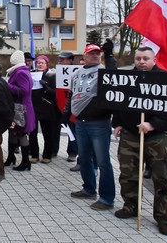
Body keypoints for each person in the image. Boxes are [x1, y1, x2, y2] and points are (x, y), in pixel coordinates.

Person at [112, 46, 167, 235]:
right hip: (130, 136)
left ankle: (164, 218)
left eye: (145, 58)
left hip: (157, 137)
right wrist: (117, 123)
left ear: (154, 61)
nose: (141, 62)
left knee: (162, 179)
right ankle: (130, 206)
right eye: (138, 58)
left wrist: (154, 124)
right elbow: (118, 101)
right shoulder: (126, 79)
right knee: (128, 175)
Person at [67, 44, 115, 211]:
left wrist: (110, 57)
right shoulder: (77, 73)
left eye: (98, 54)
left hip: (99, 123)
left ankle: (107, 198)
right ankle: (88, 188)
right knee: (85, 159)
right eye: (92, 53)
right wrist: (67, 113)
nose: (95, 56)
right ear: (84, 56)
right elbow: (72, 94)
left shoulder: (104, 72)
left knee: (103, 162)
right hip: (81, 122)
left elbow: (115, 77)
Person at [6, 50, 35, 171]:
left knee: (21, 134)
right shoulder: (20, 71)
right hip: (18, 107)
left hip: (21, 109)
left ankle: (25, 162)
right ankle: (11, 157)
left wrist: (7, 85)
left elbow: (24, 90)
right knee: (13, 132)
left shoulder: (20, 73)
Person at [30, 55, 61, 163]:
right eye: (38, 62)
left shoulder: (52, 76)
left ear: (47, 64)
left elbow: (55, 93)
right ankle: (34, 154)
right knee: (32, 133)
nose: (40, 64)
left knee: (47, 133)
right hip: (33, 106)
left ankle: (47, 155)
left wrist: (45, 86)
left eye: (42, 63)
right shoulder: (32, 74)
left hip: (46, 108)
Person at [56, 51, 80, 167]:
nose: (60, 61)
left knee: (73, 130)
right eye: (59, 59)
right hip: (60, 106)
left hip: (73, 106)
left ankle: (73, 152)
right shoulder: (57, 72)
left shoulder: (78, 72)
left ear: (70, 60)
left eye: (63, 59)